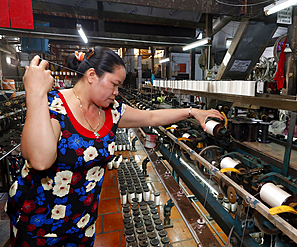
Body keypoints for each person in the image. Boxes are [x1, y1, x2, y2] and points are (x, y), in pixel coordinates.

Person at [6, 47, 223, 247]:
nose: (117, 92)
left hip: (82, 221)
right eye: (114, 84)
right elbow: (40, 159)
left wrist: (192, 112)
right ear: (92, 76)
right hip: (39, 223)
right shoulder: (55, 105)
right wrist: (35, 93)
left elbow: (152, 115)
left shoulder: (112, 111)